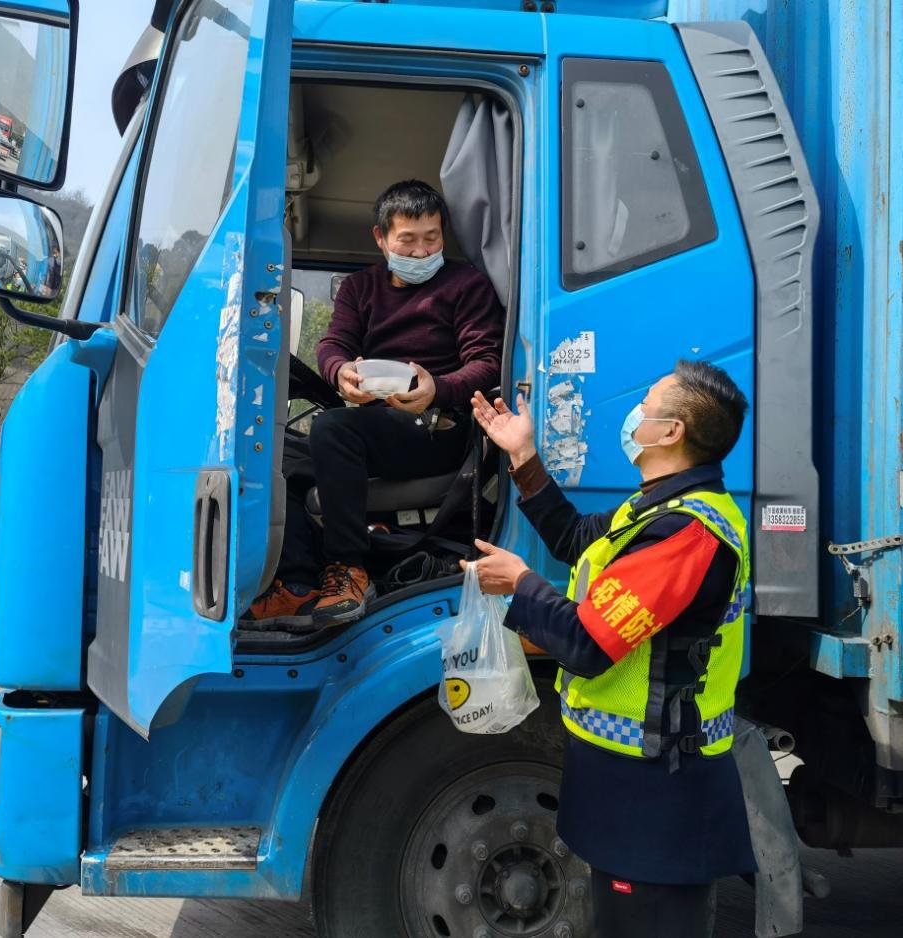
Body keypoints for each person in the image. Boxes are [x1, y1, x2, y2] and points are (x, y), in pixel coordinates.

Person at [464, 360, 755, 938]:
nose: (633, 416)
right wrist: (523, 458)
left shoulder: (687, 535)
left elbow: (588, 643)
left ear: (671, 432)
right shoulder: (654, 508)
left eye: (645, 404)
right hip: (630, 774)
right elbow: (577, 540)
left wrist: (522, 584)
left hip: (657, 784)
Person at [244, 180, 504, 629]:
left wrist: (436, 387)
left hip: (438, 427)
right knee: (272, 457)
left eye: (432, 238)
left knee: (333, 429)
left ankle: (349, 570)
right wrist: (340, 372)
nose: (422, 252)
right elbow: (333, 345)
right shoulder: (360, 289)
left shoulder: (467, 286)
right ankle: (300, 585)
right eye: (408, 240)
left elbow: (487, 362)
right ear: (382, 239)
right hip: (376, 425)